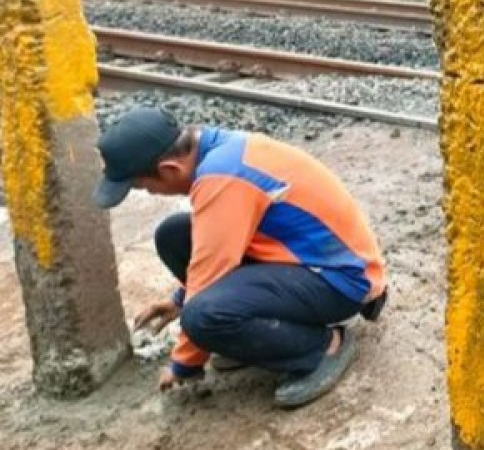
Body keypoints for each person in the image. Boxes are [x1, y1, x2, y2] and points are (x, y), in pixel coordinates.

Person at [94, 106, 388, 408]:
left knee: (202, 317)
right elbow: (218, 249)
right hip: (303, 259)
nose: (150, 193)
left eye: (144, 186)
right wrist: (178, 300)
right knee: (174, 234)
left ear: (171, 169)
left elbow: (211, 275)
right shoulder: (216, 148)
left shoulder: (222, 177)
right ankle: (248, 338)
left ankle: (323, 348)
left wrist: (185, 363)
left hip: (342, 280)